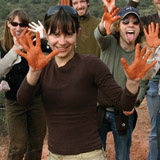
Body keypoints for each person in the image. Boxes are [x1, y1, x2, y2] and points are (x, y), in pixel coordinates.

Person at [15, 5, 155, 160]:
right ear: (46, 35)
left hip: (89, 154)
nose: (62, 41)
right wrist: (33, 71)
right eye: (55, 34)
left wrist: (133, 82)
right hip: (55, 155)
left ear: (77, 33)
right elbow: (23, 100)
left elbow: (124, 104)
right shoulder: (43, 67)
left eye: (68, 34)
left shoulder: (92, 65)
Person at [94, 5, 152, 160]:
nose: (130, 24)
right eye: (125, 21)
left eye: (135, 22)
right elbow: (98, 36)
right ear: (118, 27)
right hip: (100, 108)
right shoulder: (108, 43)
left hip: (124, 112)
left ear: (139, 28)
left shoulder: (141, 54)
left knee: (122, 155)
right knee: (96, 154)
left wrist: (135, 101)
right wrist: (102, 25)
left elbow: (143, 84)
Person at [0, 9, 46, 160]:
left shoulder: (35, 42)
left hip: (36, 99)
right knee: (18, 145)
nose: (18, 28)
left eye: (23, 24)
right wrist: (15, 50)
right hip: (14, 101)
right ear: (8, 24)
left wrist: (45, 39)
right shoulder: (2, 45)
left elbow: (50, 60)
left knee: (36, 143)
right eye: (14, 24)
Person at [128, 1, 160, 159]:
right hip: (154, 78)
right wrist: (133, 2)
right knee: (155, 129)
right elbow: (127, 22)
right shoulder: (149, 21)